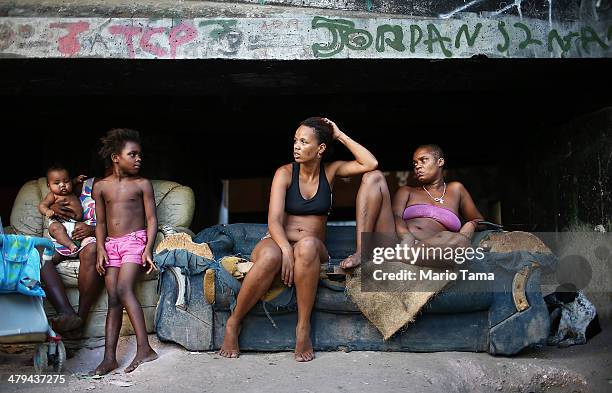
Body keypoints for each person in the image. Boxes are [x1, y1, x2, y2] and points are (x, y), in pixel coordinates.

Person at [218, 117, 378, 362]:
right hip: (278, 240)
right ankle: (233, 322)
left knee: (307, 245)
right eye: (295, 141)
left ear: (320, 148)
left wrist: (339, 134)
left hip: (313, 248)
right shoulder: (284, 173)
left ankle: (302, 328)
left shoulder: (331, 171)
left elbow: (370, 163)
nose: (296, 146)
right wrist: (284, 250)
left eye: (304, 142)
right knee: (271, 255)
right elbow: (273, 220)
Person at [340, 144, 484, 269]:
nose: (418, 166)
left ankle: (392, 257)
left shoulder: (456, 189)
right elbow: (395, 216)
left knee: (460, 242)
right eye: (415, 163)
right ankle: (361, 252)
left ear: (440, 162)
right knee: (374, 176)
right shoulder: (407, 191)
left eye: (423, 160)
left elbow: (480, 221)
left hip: (431, 248)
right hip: (398, 242)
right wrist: (406, 236)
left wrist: (471, 224)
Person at [93, 128, 158, 375]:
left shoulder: (142, 184)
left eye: (140, 154)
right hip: (112, 244)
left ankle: (145, 348)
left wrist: (148, 249)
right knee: (113, 298)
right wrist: (100, 248)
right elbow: (100, 223)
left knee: (123, 288)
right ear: (115, 157)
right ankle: (109, 358)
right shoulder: (100, 187)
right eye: (133, 154)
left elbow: (152, 220)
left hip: (134, 241)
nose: (139, 159)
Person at [40, 172, 105, 336]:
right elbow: (61, 195)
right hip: (65, 235)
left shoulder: (126, 190)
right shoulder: (83, 185)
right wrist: (52, 208)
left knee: (92, 250)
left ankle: (80, 320)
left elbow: (125, 224)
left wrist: (93, 230)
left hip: (92, 238)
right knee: (40, 253)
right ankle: (66, 312)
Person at [38, 165, 86, 255]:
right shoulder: (53, 195)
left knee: (83, 228)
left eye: (66, 181)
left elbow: (72, 182)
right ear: (49, 185)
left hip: (74, 224)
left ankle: (79, 244)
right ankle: (70, 245)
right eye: (57, 183)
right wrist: (47, 211)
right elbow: (42, 205)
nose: (63, 185)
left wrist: (77, 180)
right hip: (60, 223)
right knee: (55, 228)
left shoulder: (71, 191)